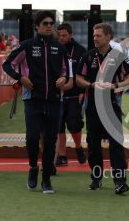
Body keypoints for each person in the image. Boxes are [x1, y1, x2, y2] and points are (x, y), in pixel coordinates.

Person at [2, 11, 73, 194]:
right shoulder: (26, 46)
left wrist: (63, 79)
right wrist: (20, 78)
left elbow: (66, 71)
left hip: (55, 100)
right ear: (37, 26)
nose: (49, 26)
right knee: (32, 138)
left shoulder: (59, 48)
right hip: (33, 99)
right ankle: (33, 168)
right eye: (45, 23)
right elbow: (7, 64)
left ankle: (47, 180)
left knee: (50, 141)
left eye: (51, 23)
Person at [76, 23, 129, 194]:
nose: (95, 38)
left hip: (112, 106)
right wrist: (91, 84)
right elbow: (79, 78)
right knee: (93, 145)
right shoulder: (88, 57)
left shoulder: (119, 56)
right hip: (92, 106)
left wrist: (115, 85)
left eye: (98, 35)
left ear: (108, 37)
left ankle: (120, 181)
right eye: (94, 35)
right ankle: (97, 178)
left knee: (116, 144)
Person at [56, 23, 87, 166]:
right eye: (59, 35)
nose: (61, 38)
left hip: (75, 94)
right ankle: (62, 155)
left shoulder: (80, 50)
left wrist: (82, 91)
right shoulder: (54, 49)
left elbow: (84, 74)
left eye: (64, 35)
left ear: (70, 35)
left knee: (74, 125)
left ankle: (78, 147)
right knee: (58, 126)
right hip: (56, 95)